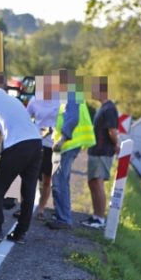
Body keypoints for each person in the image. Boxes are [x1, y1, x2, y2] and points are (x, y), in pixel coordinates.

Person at [0, 71, 42, 243]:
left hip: (18, 146)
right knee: (28, 191)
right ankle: (20, 233)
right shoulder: (13, 101)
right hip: (36, 144)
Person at [46, 70, 96, 230]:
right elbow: (64, 118)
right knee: (62, 181)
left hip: (68, 145)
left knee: (59, 181)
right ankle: (63, 216)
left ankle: (63, 219)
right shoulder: (72, 95)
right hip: (69, 144)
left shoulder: (71, 95)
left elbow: (73, 119)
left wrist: (62, 139)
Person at [82, 76, 119, 229]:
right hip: (95, 150)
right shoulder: (102, 108)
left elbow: (112, 131)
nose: (92, 92)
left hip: (102, 151)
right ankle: (95, 215)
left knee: (98, 182)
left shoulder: (109, 109)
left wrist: (117, 145)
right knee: (92, 183)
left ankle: (100, 218)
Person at [25, 74, 62, 220]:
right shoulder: (34, 100)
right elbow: (26, 117)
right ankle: (24, 208)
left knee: (47, 179)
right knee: (30, 177)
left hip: (51, 145)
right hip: (36, 142)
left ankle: (40, 209)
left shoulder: (59, 101)